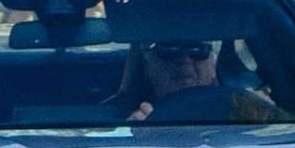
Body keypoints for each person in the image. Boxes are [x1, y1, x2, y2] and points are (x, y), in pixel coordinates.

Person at [119, 39, 279, 123]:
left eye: (198, 50)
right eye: (168, 50)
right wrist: (130, 133)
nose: (185, 60)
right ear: (147, 65)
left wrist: (266, 114)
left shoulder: (243, 107)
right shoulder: (116, 120)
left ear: (213, 64)